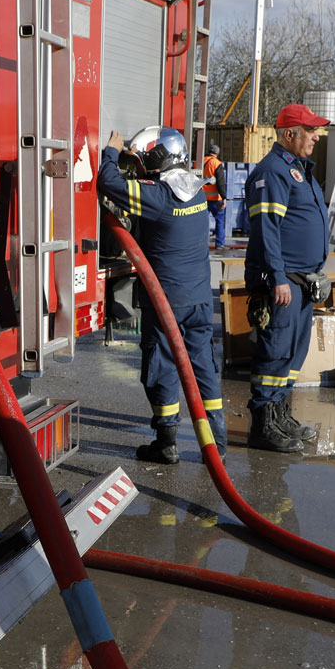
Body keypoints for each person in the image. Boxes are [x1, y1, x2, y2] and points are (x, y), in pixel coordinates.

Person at [97, 126, 227, 463]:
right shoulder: (195, 191)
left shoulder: (158, 196)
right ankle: (218, 445)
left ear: (158, 159)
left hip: (166, 301)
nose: (141, 168)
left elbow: (109, 183)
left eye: (143, 162)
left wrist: (111, 152)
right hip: (199, 299)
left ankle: (166, 443)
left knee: (162, 366)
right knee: (203, 368)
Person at [244, 103, 333, 453]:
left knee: (294, 352)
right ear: (290, 133)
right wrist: (277, 277)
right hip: (284, 283)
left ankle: (280, 415)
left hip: (302, 281)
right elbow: (267, 229)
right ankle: (263, 426)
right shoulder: (272, 172)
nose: (316, 137)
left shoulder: (297, 170)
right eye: (310, 130)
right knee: (275, 351)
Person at [203, 142, 226, 242]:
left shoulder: (200, 162)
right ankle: (220, 243)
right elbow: (221, 182)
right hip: (216, 199)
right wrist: (224, 197)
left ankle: (203, 242)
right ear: (217, 153)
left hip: (203, 198)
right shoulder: (216, 163)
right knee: (219, 220)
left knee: (203, 222)